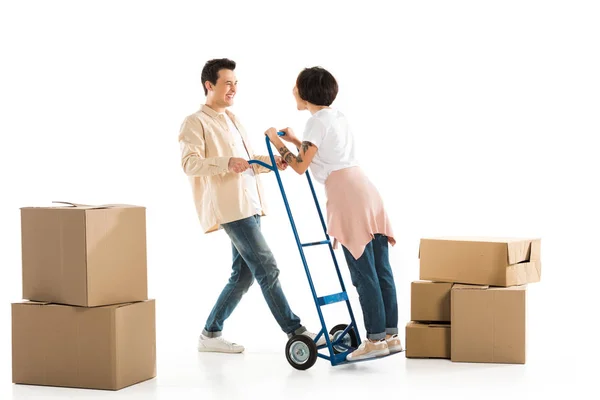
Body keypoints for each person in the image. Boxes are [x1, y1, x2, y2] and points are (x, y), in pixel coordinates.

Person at [179, 58, 326, 353]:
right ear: (209, 85)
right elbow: (189, 164)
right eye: (227, 83)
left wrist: (272, 163)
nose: (233, 89)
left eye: (235, 83)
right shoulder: (195, 122)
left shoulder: (233, 119)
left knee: (243, 275)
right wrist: (225, 162)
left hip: (251, 204)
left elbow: (247, 162)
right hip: (231, 208)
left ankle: (210, 334)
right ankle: (295, 330)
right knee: (267, 267)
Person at [264, 66, 402, 361]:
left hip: (345, 195)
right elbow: (325, 152)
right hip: (364, 187)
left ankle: (374, 340)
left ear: (306, 91)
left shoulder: (315, 121)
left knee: (363, 272)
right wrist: (292, 139)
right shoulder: (335, 117)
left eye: (296, 86)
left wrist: (277, 143)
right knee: (381, 268)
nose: (293, 91)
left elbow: (301, 167)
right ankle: (390, 335)